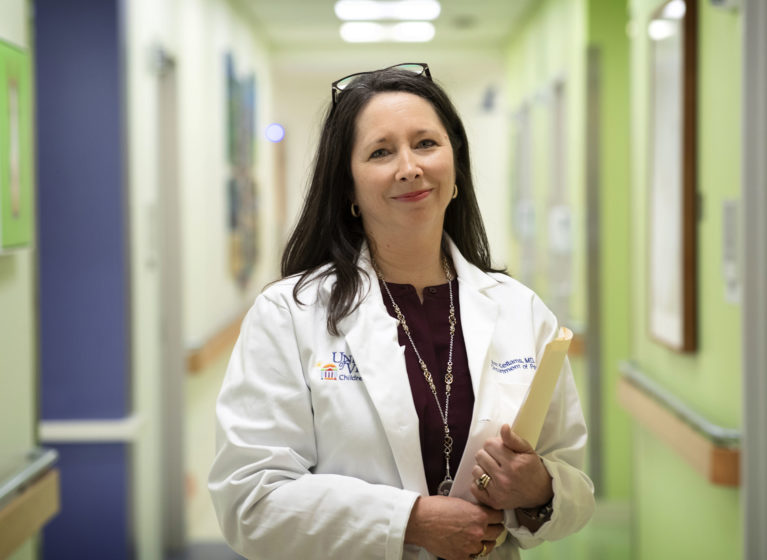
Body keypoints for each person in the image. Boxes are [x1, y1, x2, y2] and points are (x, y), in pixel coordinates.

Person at [209, 62, 595, 560]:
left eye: (426, 144)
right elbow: (251, 502)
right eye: (380, 152)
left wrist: (540, 490)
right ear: (348, 188)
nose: (409, 167)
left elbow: (577, 487)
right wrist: (410, 520)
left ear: (455, 166)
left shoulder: (519, 309)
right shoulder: (289, 313)